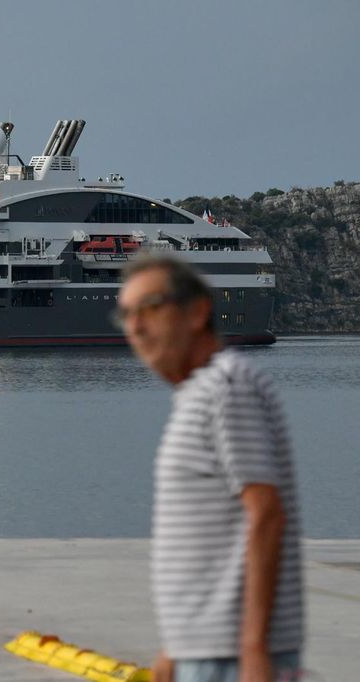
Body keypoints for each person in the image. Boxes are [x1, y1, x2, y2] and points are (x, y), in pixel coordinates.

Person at [114, 256, 303, 682]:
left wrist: (254, 650)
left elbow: (266, 513)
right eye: (126, 313)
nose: (135, 327)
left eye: (150, 307)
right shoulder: (200, 394)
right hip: (205, 650)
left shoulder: (226, 389)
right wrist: (175, 648)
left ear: (197, 312)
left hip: (231, 658)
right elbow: (212, 539)